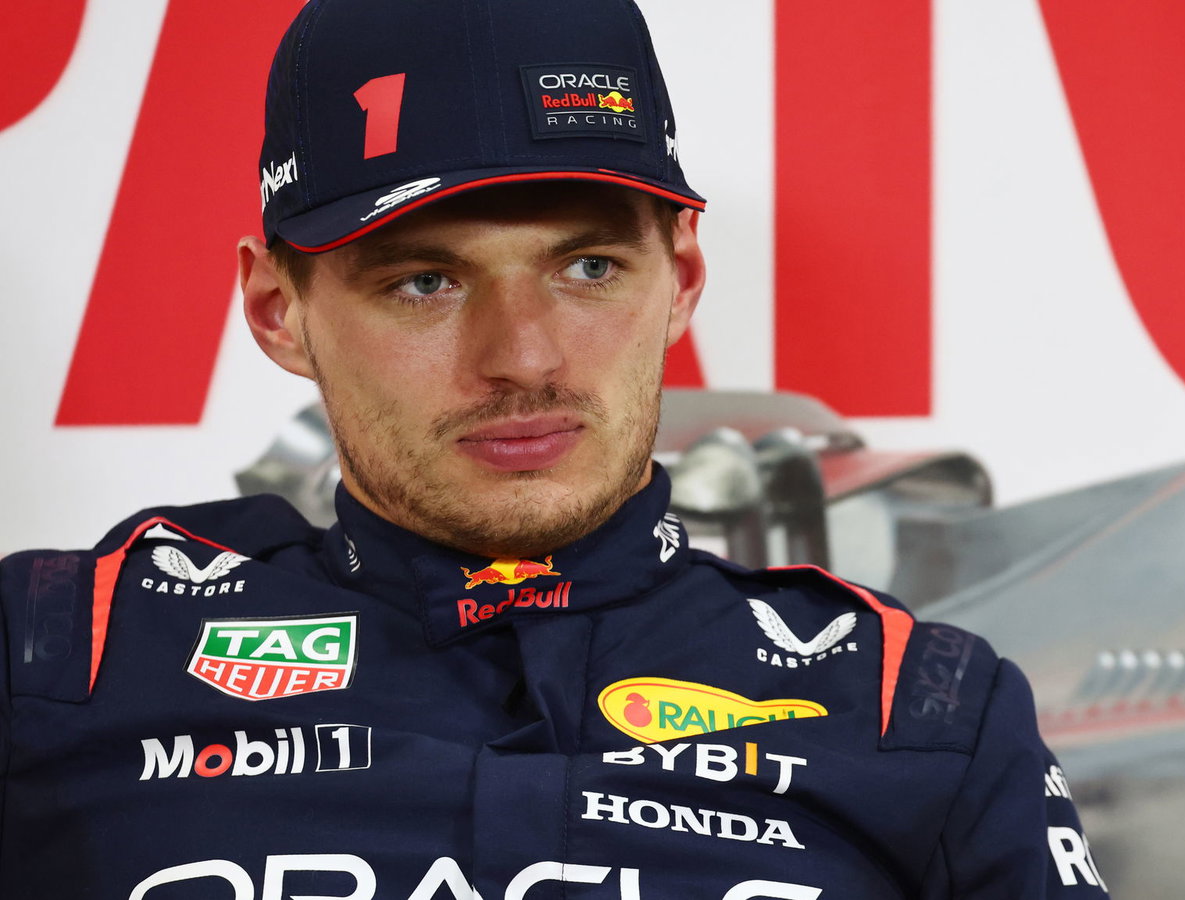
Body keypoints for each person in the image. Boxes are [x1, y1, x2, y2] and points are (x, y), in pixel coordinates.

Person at [0, 1, 1110, 896]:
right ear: (276, 309)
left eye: (588, 269)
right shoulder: (58, 659)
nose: (523, 359)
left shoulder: (915, 708)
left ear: (680, 279)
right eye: (424, 282)